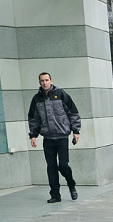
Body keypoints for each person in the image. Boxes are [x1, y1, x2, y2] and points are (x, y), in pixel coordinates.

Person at [28, 72, 81, 203]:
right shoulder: (36, 99)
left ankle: (71, 185)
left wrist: (76, 130)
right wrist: (33, 135)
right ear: (40, 83)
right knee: (51, 167)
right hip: (48, 138)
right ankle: (55, 195)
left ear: (51, 81)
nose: (44, 83)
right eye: (42, 81)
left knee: (63, 165)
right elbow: (33, 119)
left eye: (46, 80)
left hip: (62, 136)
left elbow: (73, 112)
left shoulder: (61, 94)